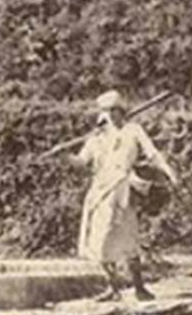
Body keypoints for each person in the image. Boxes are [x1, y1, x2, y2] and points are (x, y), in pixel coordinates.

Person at [72, 90, 179, 301]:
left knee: (129, 237)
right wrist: (64, 157)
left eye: (114, 111)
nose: (111, 116)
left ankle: (140, 287)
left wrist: (169, 172)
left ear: (122, 111)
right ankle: (113, 288)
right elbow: (82, 162)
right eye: (106, 112)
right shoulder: (96, 138)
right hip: (100, 192)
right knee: (100, 240)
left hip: (123, 189)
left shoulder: (133, 131)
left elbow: (153, 154)